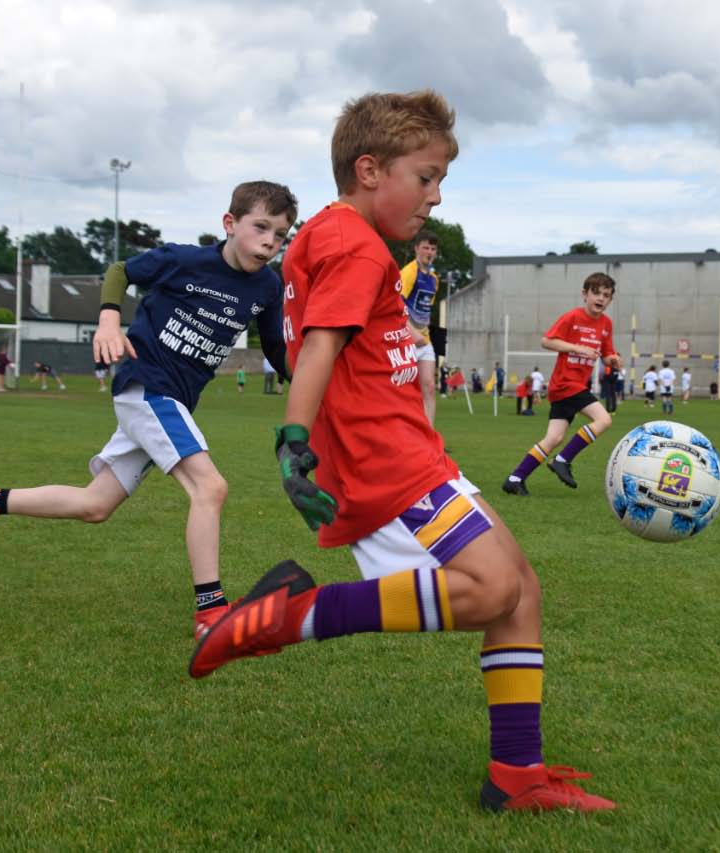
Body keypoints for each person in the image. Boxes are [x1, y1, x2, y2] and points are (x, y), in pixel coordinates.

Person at [188, 92, 613, 813]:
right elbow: (320, 342)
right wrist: (293, 442)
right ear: (369, 169)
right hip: (384, 461)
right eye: (425, 177)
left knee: (520, 590)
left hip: (413, 450)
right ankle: (288, 616)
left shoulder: (331, 235)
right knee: (488, 590)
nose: (435, 197)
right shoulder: (352, 242)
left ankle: (517, 773)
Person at [0, 180, 296, 642]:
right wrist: (110, 318)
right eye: (261, 227)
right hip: (148, 389)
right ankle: (211, 613)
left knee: (95, 505)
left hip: (167, 402)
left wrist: (316, 376)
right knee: (210, 487)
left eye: (280, 234)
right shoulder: (184, 261)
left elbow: (276, 348)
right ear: (230, 224)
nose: (270, 242)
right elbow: (119, 271)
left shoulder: (268, 287)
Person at [504, 272, 621, 498]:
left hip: (571, 388)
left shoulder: (606, 324)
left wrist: (612, 359)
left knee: (554, 438)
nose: (601, 298)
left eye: (606, 295)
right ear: (584, 294)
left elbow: (606, 354)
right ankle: (563, 460)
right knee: (604, 419)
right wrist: (577, 348)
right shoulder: (572, 317)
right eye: (596, 293)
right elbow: (546, 341)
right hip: (566, 384)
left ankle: (515, 479)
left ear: (610, 300)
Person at [399, 230, 441, 426]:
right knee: (403, 389)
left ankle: (429, 436)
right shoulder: (408, 273)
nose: (429, 252)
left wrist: (423, 335)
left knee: (430, 386)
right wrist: (412, 332)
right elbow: (394, 305)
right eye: (425, 247)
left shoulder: (434, 279)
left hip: (425, 340)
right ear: (416, 248)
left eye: (433, 249)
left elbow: (425, 311)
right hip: (404, 339)